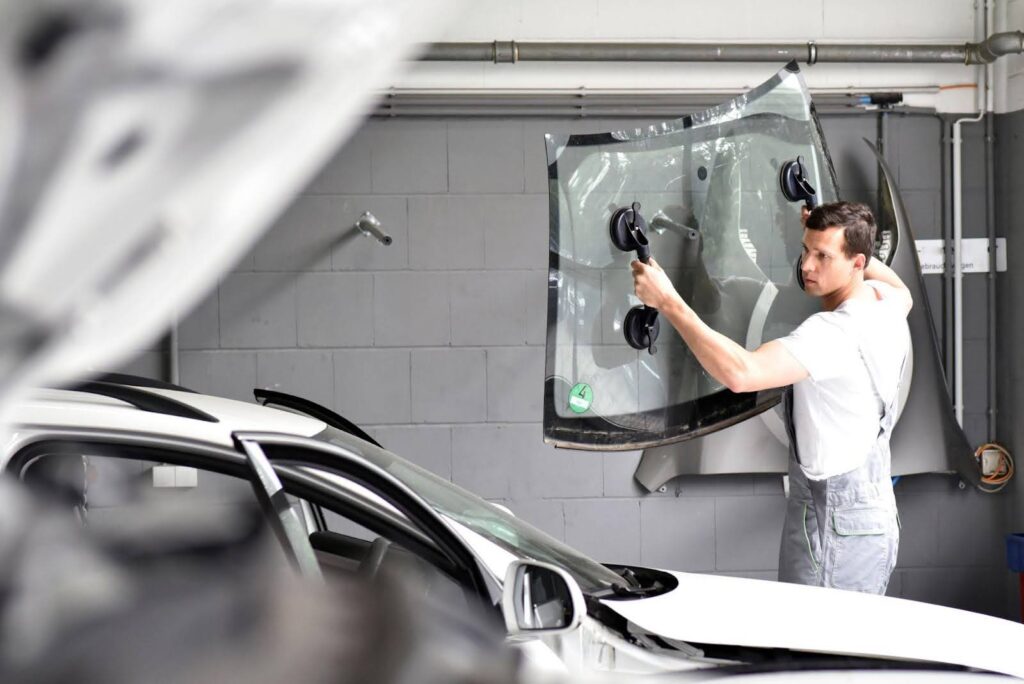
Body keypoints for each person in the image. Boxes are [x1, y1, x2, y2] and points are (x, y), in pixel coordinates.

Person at [631, 201, 911, 594]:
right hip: (871, 517)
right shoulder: (885, 301)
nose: (806, 266)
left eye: (823, 256)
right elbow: (902, 287)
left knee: (820, 649)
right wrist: (826, 237)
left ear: (857, 263)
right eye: (805, 249)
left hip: (834, 528)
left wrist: (669, 302)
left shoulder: (833, 334)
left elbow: (742, 373)